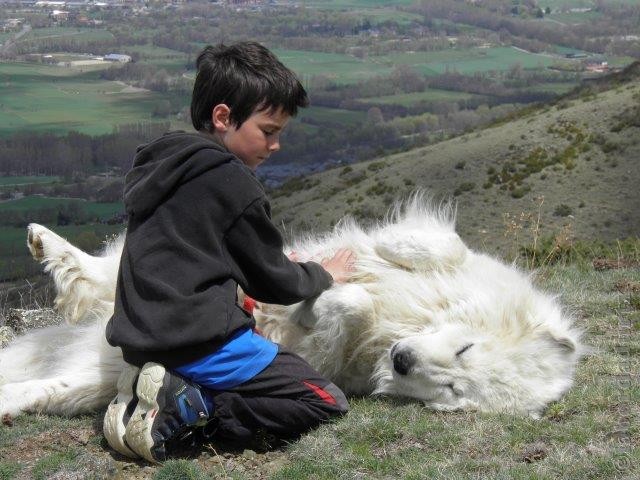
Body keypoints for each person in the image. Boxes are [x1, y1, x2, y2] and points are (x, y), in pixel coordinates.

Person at [102, 42, 354, 463]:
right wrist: (322, 273)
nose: (275, 146)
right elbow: (274, 282)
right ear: (223, 117)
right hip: (197, 343)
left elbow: (192, 257)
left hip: (139, 338)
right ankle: (189, 410)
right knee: (324, 401)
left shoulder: (165, 162)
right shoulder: (232, 182)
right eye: (268, 131)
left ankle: (159, 382)